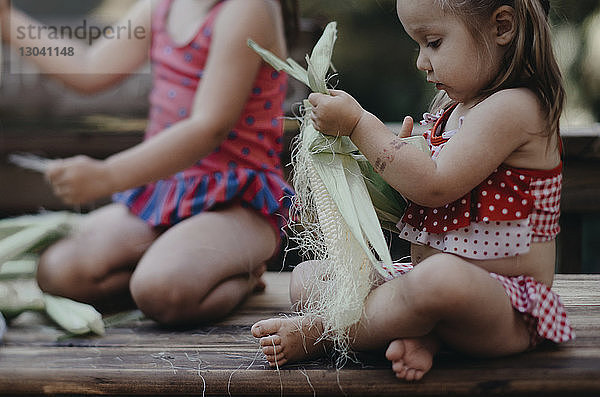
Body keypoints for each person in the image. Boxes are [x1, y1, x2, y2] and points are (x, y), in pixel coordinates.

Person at [251, 0, 574, 381]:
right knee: (308, 278)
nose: (422, 61)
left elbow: (434, 186)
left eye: (433, 42)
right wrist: (384, 171)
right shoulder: (452, 107)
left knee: (439, 279)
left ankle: (328, 332)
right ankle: (422, 332)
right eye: (418, 45)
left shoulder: (515, 107)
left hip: (502, 306)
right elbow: (427, 192)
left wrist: (359, 125)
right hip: (425, 287)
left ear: (501, 27)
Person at [0, 0, 297, 325]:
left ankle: (244, 274)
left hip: (237, 200)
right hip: (166, 193)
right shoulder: (162, 6)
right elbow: (88, 68)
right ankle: (182, 266)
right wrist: (8, 19)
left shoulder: (247, 8)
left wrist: (107, 175)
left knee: (161, 290)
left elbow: (209, 126)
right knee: (59, 272)